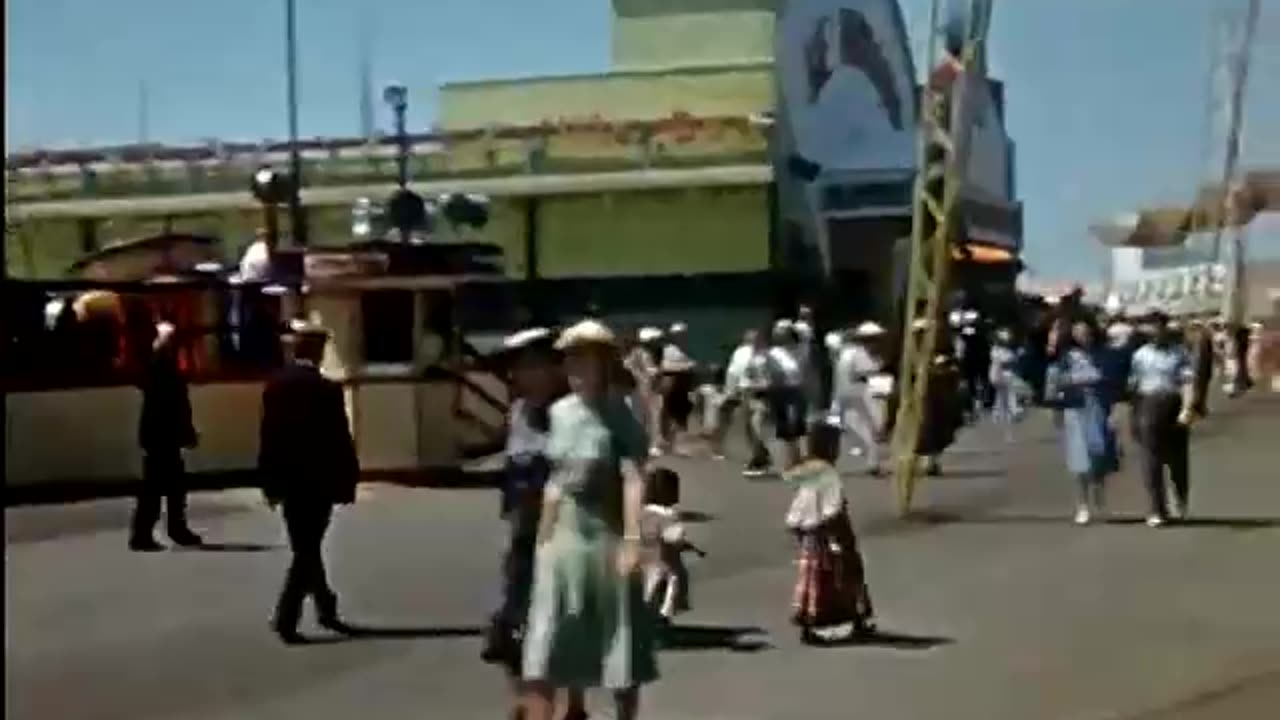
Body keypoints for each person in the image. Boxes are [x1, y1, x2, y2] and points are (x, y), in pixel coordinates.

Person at [521, 319, 658, 720]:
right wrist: (543, 534)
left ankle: (624, 711)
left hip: (606, 529)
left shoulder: (618, 414)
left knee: (618, 623)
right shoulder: (560, 412)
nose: (577, 372)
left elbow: (633, 476)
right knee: (562, 620)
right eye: (571, 363)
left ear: (604, 365)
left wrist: (634, 539)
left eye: (586, 363)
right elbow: (556, 476)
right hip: (565, 529)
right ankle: (573, 706)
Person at [479, 328, 586, 720]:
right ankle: (531, 703)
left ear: (552, 368)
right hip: (525, 534)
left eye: (527, 367)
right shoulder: (520, 411)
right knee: (512, 626)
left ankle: (568, 706)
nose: (519, 377)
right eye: (516, 369)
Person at [259, 318, 360, 644]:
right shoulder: (327, 391)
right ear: (318, 353)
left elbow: (269, 438)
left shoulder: (275, 387)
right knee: (308, 548)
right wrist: (348, 481)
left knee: (305, 546)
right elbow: (339, 440)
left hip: (288, 481)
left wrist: (268, 483)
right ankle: (287, 616)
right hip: (319, 481)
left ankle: (325, 603)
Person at [785, 421, 875, 645]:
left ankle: (810, 624)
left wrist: (799, 528)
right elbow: (833, 509)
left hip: (811, 537)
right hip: (829, 535)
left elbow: (800, 508)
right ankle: (854, 619)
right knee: (844, 578)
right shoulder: (828, 474)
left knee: (812, 581)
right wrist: (839, 533)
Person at [130, 320, 203, 551]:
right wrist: (185, 430)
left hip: (158, 435)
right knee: (163, 486)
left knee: (163, 486)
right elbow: (172, 403)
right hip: (164, 435)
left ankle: (158, 531)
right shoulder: (165, 366)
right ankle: (156, 532)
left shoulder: (158, 364)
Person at [1046, 320, 1121, 525]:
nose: (1083, 337)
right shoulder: (1067, 358)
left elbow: (1111, 382)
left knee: (1100, 457)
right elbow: (1058, 382)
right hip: (1076, 410)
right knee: (1080, 461)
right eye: (1078, 333)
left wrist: (1114, 410)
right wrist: (1058, 409)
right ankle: (1082, 505)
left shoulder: (1102, 355)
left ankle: (1100, 500)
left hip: (1099, 409)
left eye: (1086, 333)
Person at [1129, 315, 1197, 527]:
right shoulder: (1140, 355)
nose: (1155, 333)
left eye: (1158, 328)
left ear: (1165, 330)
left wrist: (1187, 409)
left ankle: (1180, 497)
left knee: (1177, 458)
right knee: (1150, 460)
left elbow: (1187, 382)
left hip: (1172, 403)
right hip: (1147, 403)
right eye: (1151, 328)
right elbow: (1133, 385)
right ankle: (1157, 508)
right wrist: (1133, 413)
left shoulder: (1179, 353)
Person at [640, 467, 705, 627]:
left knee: (648, 585)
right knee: (676, 578)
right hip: (665, 558)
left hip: (645, 556)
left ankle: (644, 611)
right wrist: (687, 545)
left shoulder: (642, 512)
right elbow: (674, 537)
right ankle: (665, 613)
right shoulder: (667, 514)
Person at [830, 322, 885, 474]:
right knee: (872, 429)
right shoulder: (859, 354)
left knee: (864, 429)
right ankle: (872, 462)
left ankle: (872, 461)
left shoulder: (846, 353)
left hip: (849, 396)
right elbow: (863, 373)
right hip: (861, 395)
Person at [768, 320, 808, 468]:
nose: (780, 337)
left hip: (796, 390)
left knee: (797, 424)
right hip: (780, 391)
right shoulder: (774, 353)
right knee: (785, 425)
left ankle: (797, 456)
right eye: (778, 334)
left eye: (784, 333)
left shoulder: (800, 350)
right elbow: (773, 372)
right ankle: (792, 458)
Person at [658, 323, 698, 455]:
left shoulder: (686, 349)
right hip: (672, 385)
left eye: (683, 334)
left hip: (683, 386)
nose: (682, 337)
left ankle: (677, 445)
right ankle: (668, 443)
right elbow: (666, 367)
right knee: (670, 414)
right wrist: (687, 365)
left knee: (682, 416)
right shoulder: (669, 349)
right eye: (679, 334)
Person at [988, 327, 1024, 442]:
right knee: (1008, 397)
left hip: (1003, 377)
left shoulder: (1006, 351)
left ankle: (1004, 419)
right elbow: (1004, 361)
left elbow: (1011, 361)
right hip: (999, 377)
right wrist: (1015, 357)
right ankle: (1012, 410)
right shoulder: (996, 350)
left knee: (1004, 401)